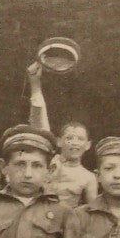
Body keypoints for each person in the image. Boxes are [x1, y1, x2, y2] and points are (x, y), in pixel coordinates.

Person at [26, 61, 97, 208]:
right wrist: (35, 83)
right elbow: (39, 122)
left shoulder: (89, 178)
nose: (74, 142)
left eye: (80, 139)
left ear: (88, 145)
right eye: (69, 138)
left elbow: (93, 213)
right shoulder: (49, 162)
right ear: (58, 141)